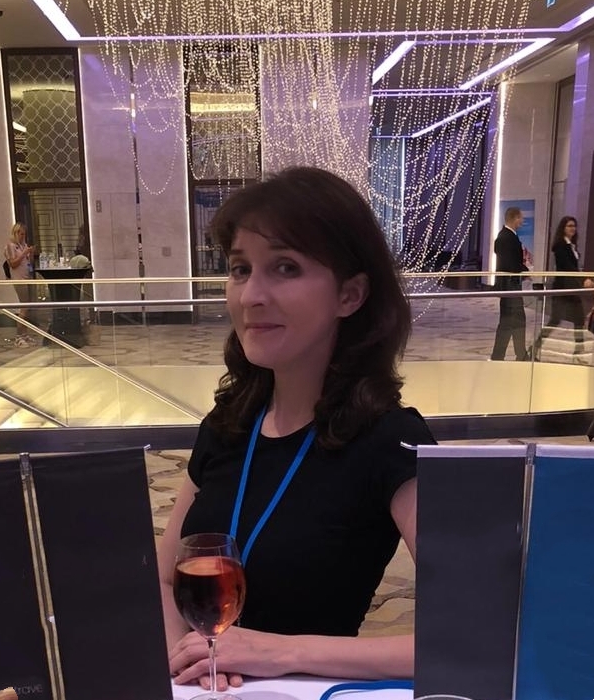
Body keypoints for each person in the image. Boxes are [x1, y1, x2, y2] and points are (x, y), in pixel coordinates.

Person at [157, 166, 435, 686]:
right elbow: (166, 576)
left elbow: (476, 630)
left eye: (285, 267)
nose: (250, 295)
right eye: (240, 269)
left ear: (350, 295)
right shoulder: (228, 423)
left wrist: (280, 651)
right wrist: (194, 666)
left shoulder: (389, 440)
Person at [532, 216, 594, 358]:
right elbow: (568, 268)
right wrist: (583, 281)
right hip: (563, 290)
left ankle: (578, 353)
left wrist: (583, 280)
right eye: (569, 226)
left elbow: (574, 269)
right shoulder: (560, 246)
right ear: (563, 228)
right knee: (555, 321)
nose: (573, 228)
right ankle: (535, 348)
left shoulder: (571, 245)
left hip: (572, 290)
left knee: (579, 320)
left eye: (574, 226)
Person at [490, 206, 529, 361]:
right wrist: (524, 270)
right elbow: (511, 264)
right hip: (510, 285)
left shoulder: (506, 236)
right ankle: (519, 355)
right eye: (521, 218)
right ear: (515, 218)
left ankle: (507, 355)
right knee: (514, 321)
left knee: (509, 322)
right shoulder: (506, 238)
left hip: (510, 286)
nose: (522, 221)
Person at [4, 221, 37, 347]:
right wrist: (23, 254)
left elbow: (29, 263)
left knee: (27, 307)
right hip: (19, 279)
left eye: (24, 234)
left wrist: (30, 254)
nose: (23, 236)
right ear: (16, 233)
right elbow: (13, 264)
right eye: (21, 234)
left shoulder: (23, 245)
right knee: (23, 307)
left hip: (27, 277)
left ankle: (25, 334)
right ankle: (19, 336)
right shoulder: (10, 246)